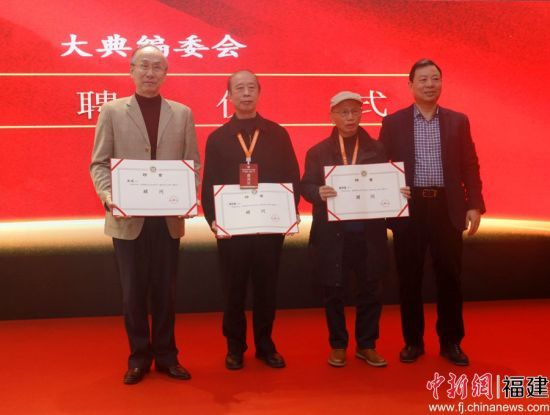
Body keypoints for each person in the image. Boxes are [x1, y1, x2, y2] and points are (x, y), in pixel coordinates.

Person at [90, 45, 200, 384]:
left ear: (166, 73)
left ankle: (167, 356)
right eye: (144, 66)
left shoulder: (182, 113)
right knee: (133, 294)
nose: (150, 73)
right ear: (132, 69)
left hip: (167, 219)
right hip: (127, 219)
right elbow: (99, 163)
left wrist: (188, 195)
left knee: (165, 293)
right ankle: (138, 357)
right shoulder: (111, 111)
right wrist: (109, 197)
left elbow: (192, 164)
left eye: (158, 67)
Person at [379, 59, 485, 366]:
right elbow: (381, 165)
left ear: (441, 83)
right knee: (409, 277)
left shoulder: (458, 121)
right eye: (423, 79)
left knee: (450, 277)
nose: (429, 84)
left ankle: (451, 342)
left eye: (435, 79)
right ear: (410, 84)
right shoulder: (393, 123)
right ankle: (413, 341)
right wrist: (389, 194)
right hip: (410, 208)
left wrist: (474, 204)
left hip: (446, 207)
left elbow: (470, 165)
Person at [201, 70, 300, 370]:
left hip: (269, 229)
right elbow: (209, 184)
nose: (245, 93)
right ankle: (235, 347)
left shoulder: (278, 134)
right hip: (233, 230)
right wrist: (214, 221)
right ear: (229, 95)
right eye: (239, 88)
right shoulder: (217, 138)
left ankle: (265, 345)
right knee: (233, 290)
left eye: (251, 88)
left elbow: (291, 177)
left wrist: (287, 213)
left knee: (266, 289)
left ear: (259, 92)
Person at [301, 91, 398, 368]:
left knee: (371, 290)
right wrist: (318, 192)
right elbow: (305, 186)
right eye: (343, 112)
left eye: (355, 112)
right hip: (333, 235)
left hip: (368, 234)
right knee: (334, 291)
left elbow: (386, 184)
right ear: (332, 116)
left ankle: (367, 345)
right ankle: (338, 345)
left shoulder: (377, 149)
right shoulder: (318, 152)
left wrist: (397, 192)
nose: (350, 117)